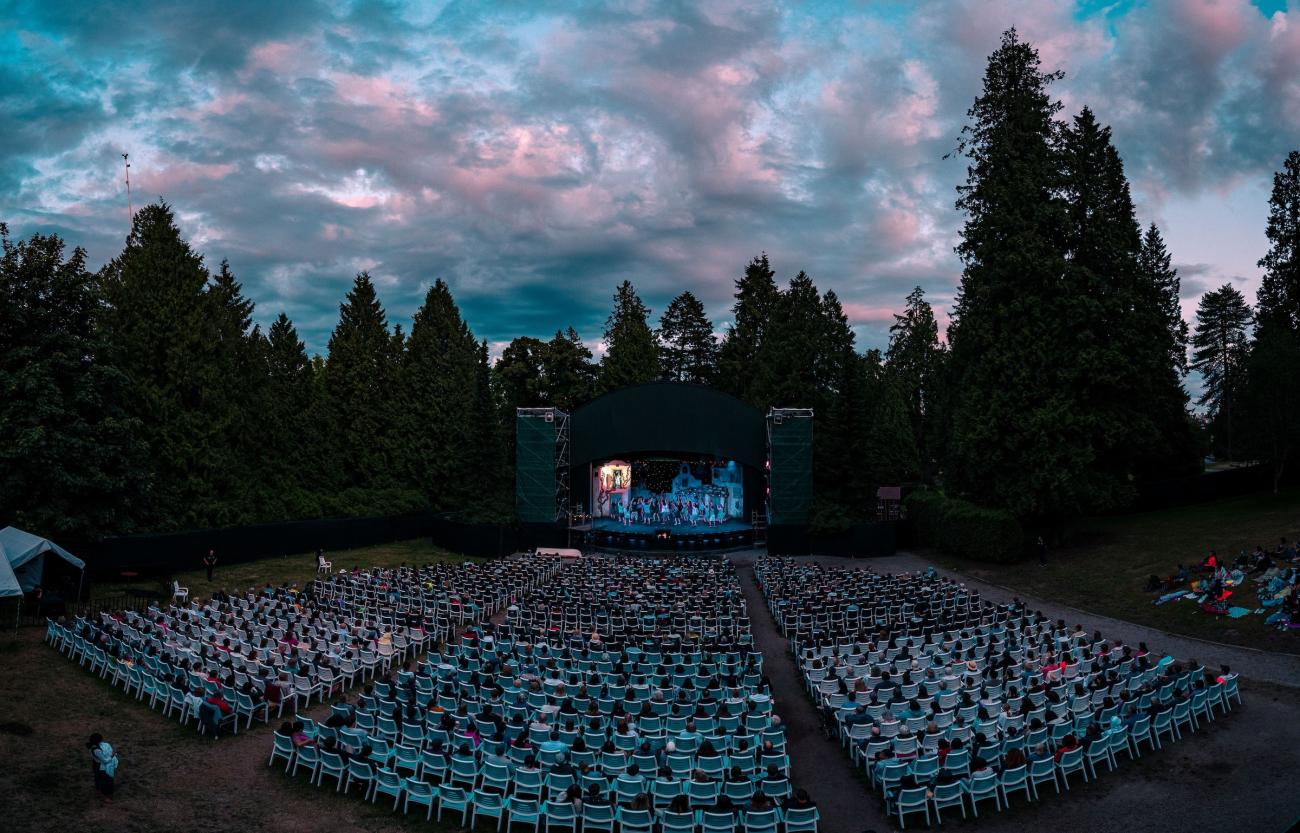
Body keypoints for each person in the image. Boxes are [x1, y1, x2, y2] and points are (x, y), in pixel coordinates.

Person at [87, 733, 119, 801]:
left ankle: (98, 792)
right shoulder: (97, 750)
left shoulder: (92, 746)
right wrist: (112, 755)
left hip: (96, 764)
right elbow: (105, 761)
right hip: (100, 766)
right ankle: (105, 797)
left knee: (98, 779)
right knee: (107, 781)